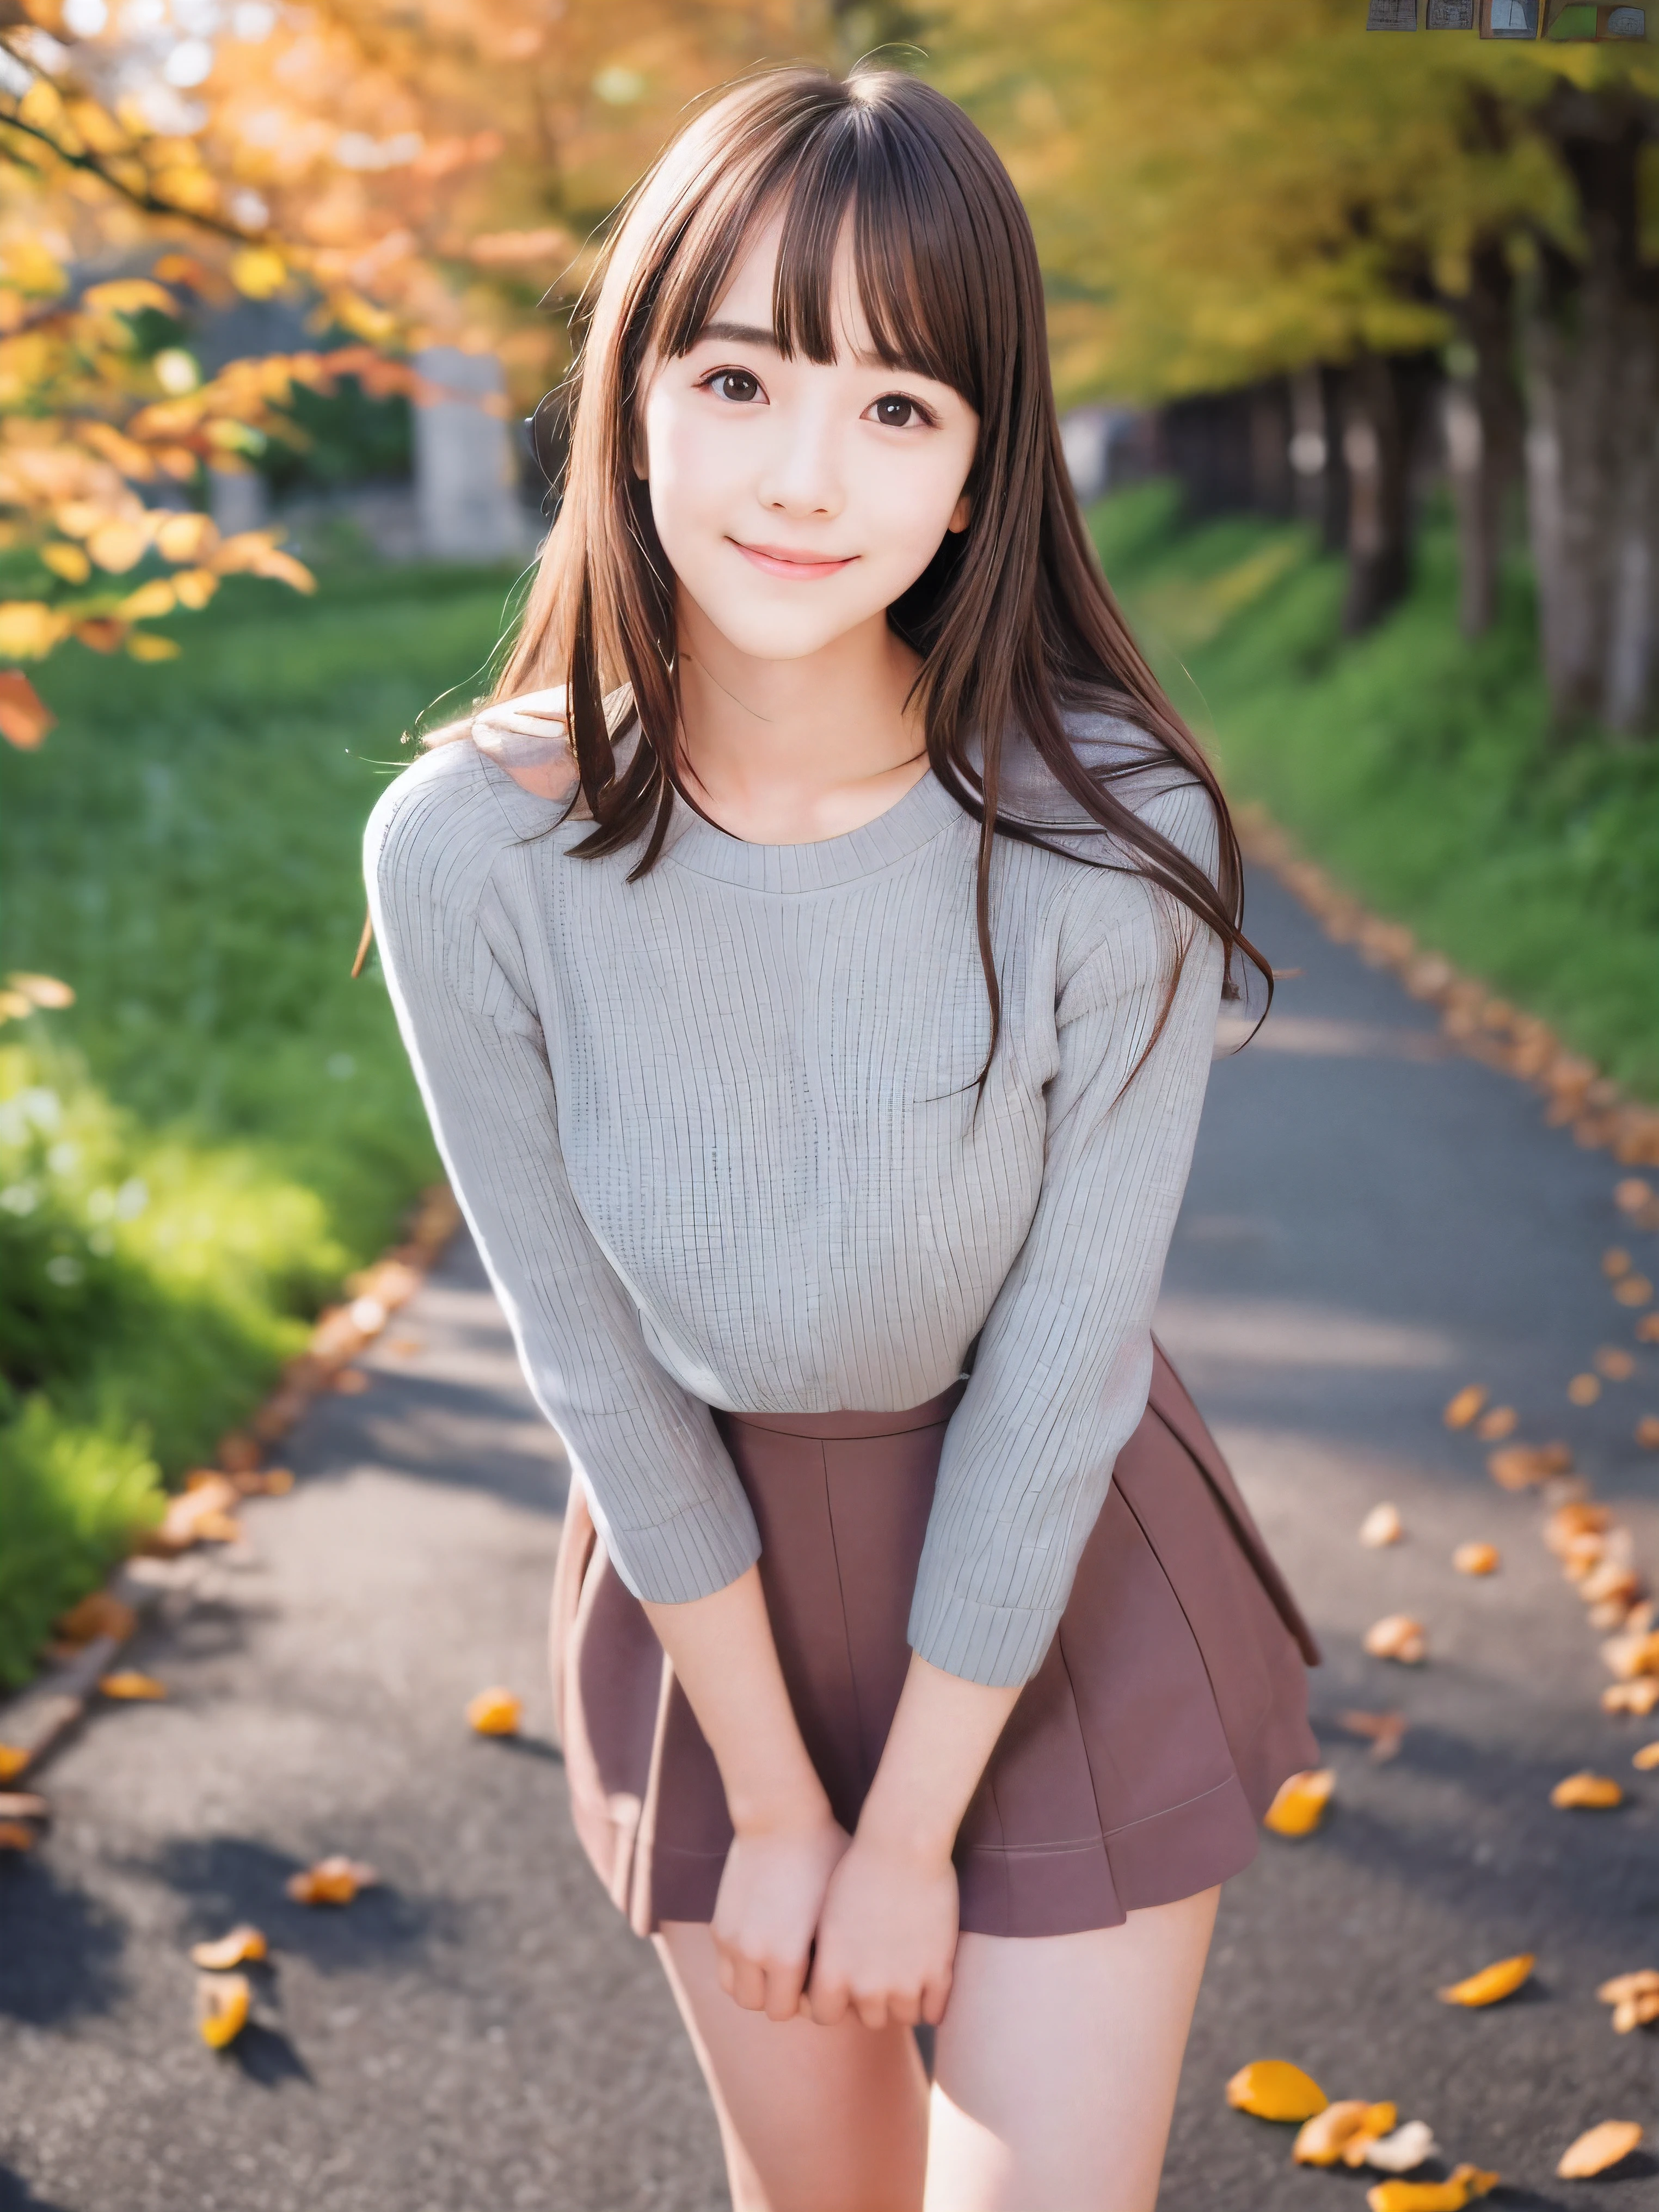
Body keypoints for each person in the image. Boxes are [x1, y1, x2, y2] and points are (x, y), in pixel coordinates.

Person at [365, 63, 1319, 2212]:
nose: (809, 474)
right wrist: (787, 1805)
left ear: (987, 466)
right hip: (717, 1612)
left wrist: (908, 1832)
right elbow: (587, 1353)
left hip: (1057, 1572)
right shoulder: (465, 851)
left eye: (900, 406)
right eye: (740, 375)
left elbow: (1068, 1361)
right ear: (629, 404)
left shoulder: (1105, 835)